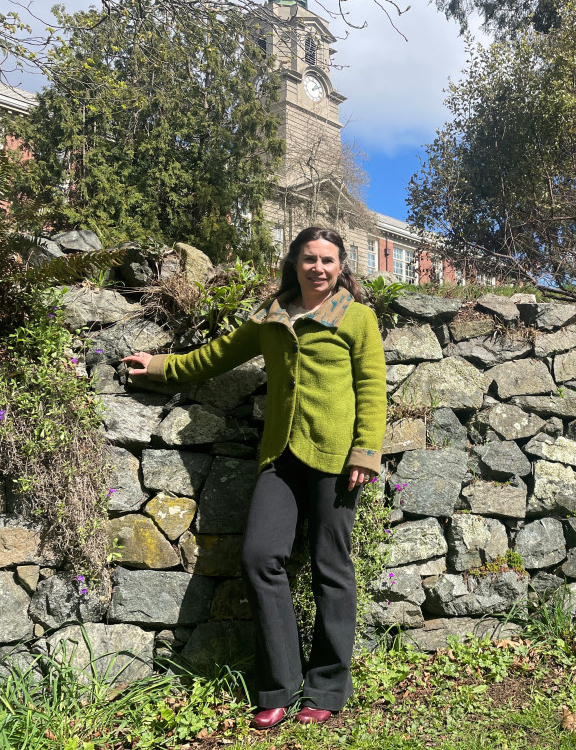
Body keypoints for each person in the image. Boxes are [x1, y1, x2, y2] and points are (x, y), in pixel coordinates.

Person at [124, 227, 387, 729]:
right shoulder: (271, 319)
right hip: (280, 456)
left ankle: (327, 689)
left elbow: (373, 388)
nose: (319, 268)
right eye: (310, 259)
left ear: (341, 266)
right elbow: (216, 356)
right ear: (295, 263)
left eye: (328, 260)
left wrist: (365, 453)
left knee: (331, 567)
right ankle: (281, 686)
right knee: (259, 557)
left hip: (336, 458)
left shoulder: (357, 318)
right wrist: (157, 364)